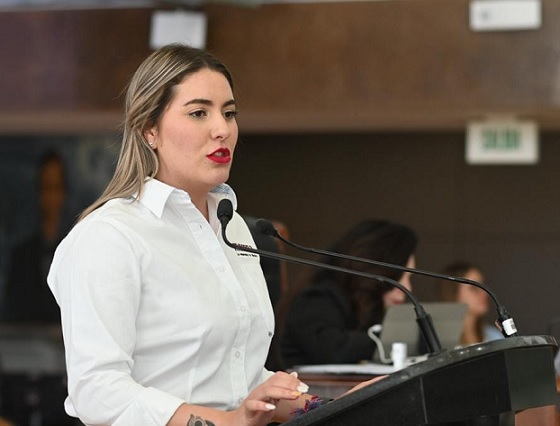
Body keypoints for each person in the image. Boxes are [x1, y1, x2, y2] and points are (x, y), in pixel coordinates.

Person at [47, 44, 382, 426]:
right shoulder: (109, 236)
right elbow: (98, 391)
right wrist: (228, 422)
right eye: (198, 113)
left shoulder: (231, 224)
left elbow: (240, 382)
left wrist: (336, 408)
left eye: (229, 113)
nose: (222, 129)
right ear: (149, 129)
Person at [279, 219, 418, 369]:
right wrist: (394, 338)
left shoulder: (369, 310)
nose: (407, 288)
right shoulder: (316, 299)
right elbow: (333, 350)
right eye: (400, 276)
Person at [3, 149, 69, 324]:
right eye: (46, 187)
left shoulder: (75, 253)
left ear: (63, 193)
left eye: (55, 187)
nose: (50, 197)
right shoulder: (20, 257)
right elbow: (12, 317)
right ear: (38, 192)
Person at [437, 262, 503, 345]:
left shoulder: (495, 336)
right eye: (474, 288)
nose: (485, 293)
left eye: (483, 287)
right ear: (453, 293)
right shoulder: (439, 340)